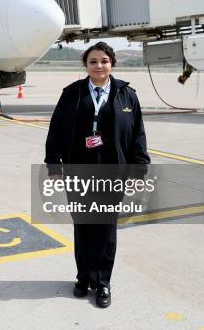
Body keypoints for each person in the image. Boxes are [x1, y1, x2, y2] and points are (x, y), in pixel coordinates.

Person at [44, 41, 150, 308]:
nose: (99, 66)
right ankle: (83, 278)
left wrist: (139, 167)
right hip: (78, 171)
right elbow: (55, 130)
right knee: (83, 226)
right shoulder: (72, 93)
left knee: (105, 229)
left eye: (104, 60)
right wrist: (54, 166)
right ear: (86, 65)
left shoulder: (127, 95)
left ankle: (102, 282)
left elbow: (138, 134)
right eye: (93, 61)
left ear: (111, 63)